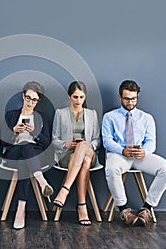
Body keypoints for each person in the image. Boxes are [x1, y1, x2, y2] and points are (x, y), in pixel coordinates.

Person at [102, 80, 166, 226]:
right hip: (119, 155)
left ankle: (147, 208)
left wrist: (145, 151)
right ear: (119, 97)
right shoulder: (109, 117)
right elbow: (107, 141)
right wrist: (122, 150)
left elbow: (151, 142)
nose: (130, 102)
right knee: (111, 168)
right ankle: (124, 210)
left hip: (140, 156)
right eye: (127, 99)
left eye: (133, 99)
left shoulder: (147, 118)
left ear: (137, 97)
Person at [2, 81, 53, 230]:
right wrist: (14, 131)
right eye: (28, 98)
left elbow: (46, 143)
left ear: (38, 101)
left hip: (34, 155)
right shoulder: (11, 115)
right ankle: (42, 181)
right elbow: (1, 142)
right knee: (24, 146)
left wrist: (35, 134)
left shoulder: (42, 117)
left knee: (25, 158)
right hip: (13, 153)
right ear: (23, 97)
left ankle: (20, 209)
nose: (31, 102)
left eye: (34, 99)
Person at [52, 81, 101, 226]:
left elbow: (98, 140)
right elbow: (54, 140)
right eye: (75, 97)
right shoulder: (60, 113)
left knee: (84, 148)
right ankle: (82, 207)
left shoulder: (92, 114)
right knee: (83, 160)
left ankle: (64, 190)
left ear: (85, 97)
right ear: (69, 96)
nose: (78, 101)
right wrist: (65, 144)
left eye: (81, 97)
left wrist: (86, 145)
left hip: (89, 152)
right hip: (67, 155)